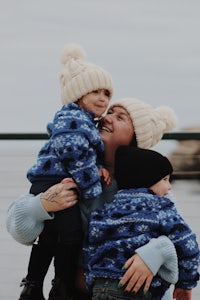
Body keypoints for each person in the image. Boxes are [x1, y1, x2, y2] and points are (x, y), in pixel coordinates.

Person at [7, 97, 179, 300]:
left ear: (136, 139)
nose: (106, 117)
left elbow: (179, 240)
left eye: (120, 117)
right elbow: (19, 229)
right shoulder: (73, 168)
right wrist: (41, 205)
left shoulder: (152, 185)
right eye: (110, 112)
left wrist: (155, 253)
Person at [17, 42, 113, 300]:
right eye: (95, 91)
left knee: (50, 236)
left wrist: (99, 166)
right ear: (78, 93)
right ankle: (61, 285)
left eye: (107, 93)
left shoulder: (83, 121)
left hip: (53, 178)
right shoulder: (72, 117)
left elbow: (85, 154)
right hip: (54, 181)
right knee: (70, 235)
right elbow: (74, 152)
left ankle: (33, 285)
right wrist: (92, 185)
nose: (103, 98)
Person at [83, 145, 200, 300]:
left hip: (100, 287)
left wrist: (93, 283)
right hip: (136, 288)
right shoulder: (160, 207)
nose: (169, 187)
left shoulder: (102, 213)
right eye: (165, 180)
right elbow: (187, 245)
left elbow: (89, 252)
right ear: (146, 180)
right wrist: (185, 284)